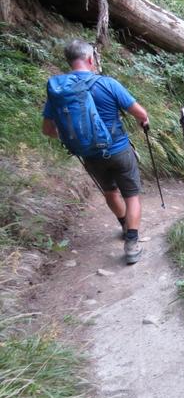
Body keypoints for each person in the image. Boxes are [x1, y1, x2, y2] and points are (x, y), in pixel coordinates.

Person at [42, 39, 149, 264]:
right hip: (119, 150)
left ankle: (123, 224)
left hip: (89, 154)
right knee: (131, 195)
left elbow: (48, 130)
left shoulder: (59, 91)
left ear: (70, 61)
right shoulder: (108, 84)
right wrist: (144, 120)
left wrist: (76, 137)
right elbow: (139, 113)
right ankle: (131, 243)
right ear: (91, 59)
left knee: (110, 192)